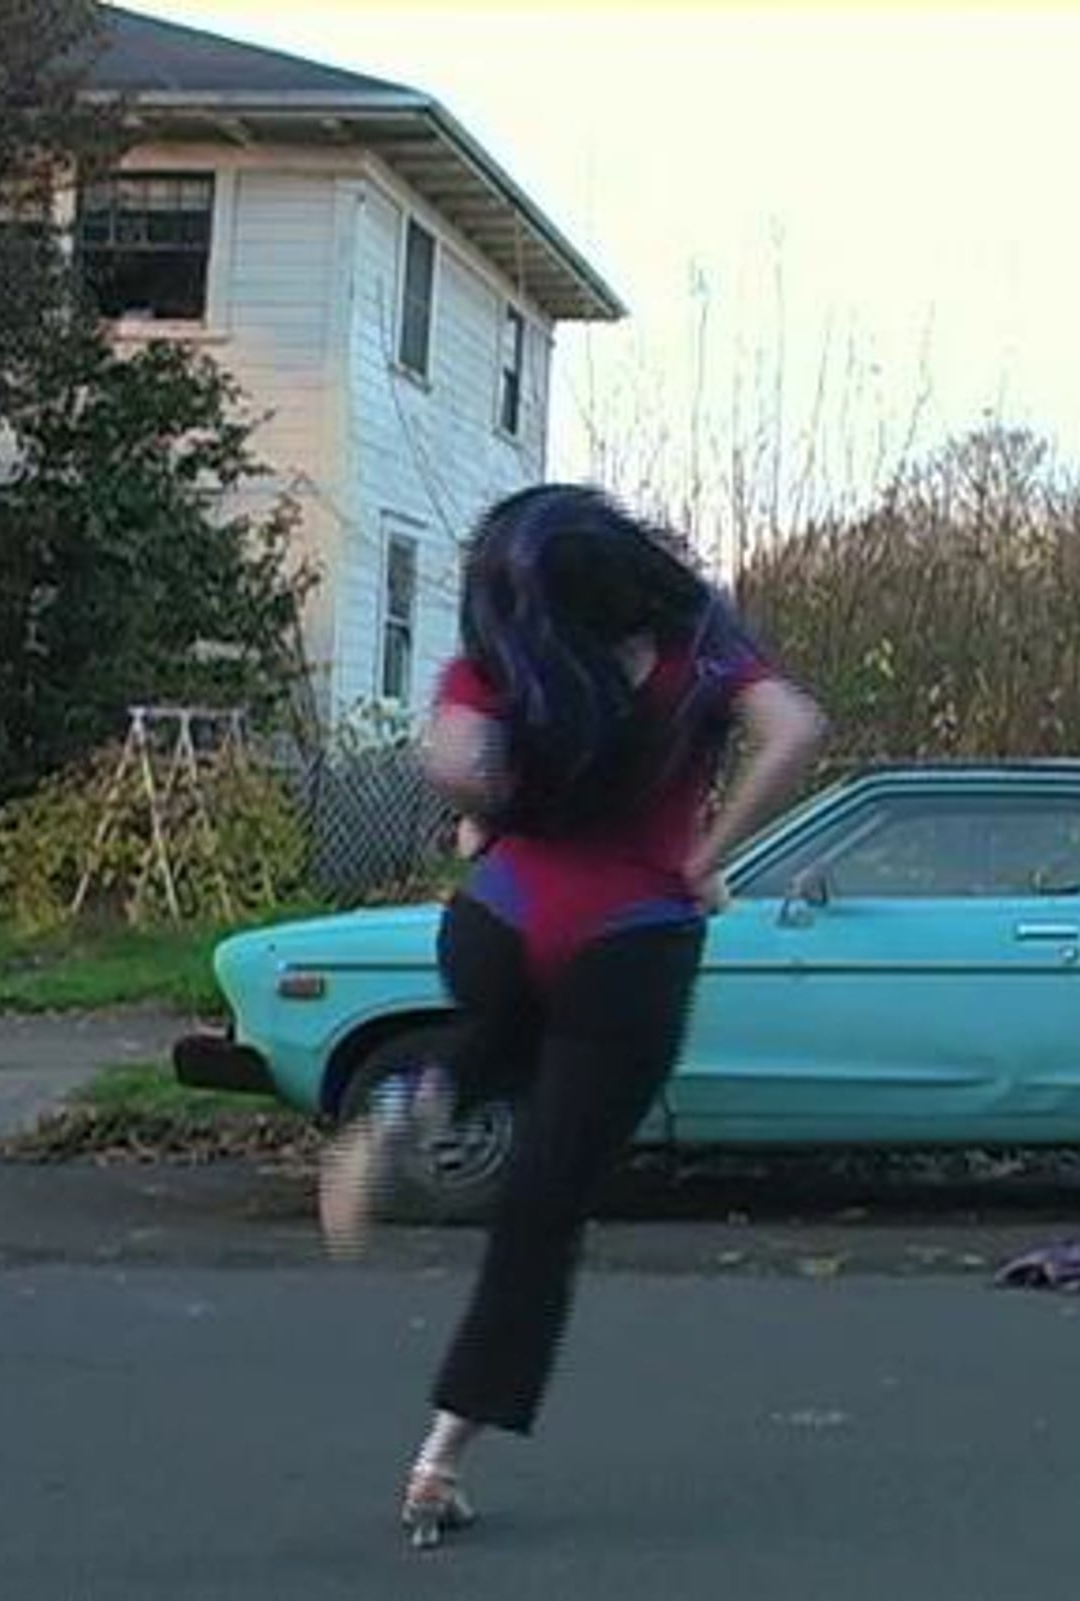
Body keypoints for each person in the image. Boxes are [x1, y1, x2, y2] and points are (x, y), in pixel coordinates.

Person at [315, 482, 826, 1549]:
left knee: (502, 1034)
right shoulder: (702, 640)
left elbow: (457, 761)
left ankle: (421, 1097)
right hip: (630, 941)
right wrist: (705, 853)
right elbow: (794, 731)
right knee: (541, 1211)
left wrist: (487, 812)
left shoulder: (508, 656)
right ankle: (439, 1458)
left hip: (498, 923)